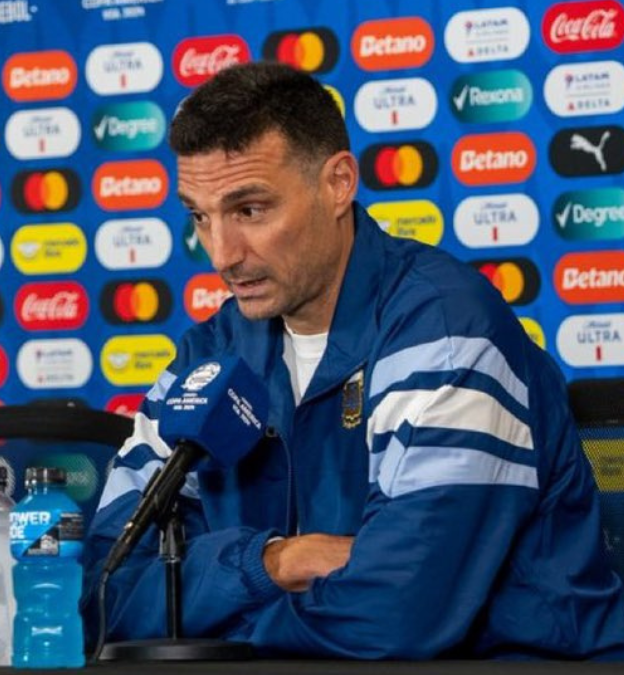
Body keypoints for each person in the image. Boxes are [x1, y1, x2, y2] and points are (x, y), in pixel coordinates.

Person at [83, 62, 624, 659]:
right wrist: (277, 562)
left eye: (251, 210)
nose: (222, 254)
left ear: (339, 183)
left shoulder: (442, 329)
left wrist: (223, 627)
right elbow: (107, 593)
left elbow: (396, 615)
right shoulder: (211, 353)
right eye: (199, 217)